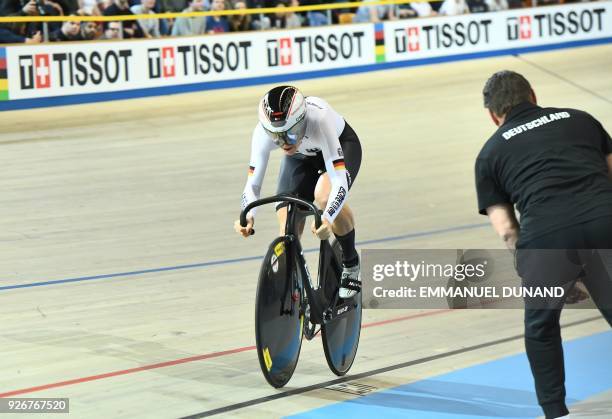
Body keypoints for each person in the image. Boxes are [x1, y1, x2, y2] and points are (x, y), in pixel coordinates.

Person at [475, 70, 612, 419]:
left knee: (541, 328)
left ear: (493, 115)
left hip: (546, 238)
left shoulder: (489, 153)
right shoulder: (581, 119)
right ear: (533, 95)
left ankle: (555, 411)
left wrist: (543, 273)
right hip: (603, 220)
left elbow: (506, 230)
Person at [234, 86, 363, 298]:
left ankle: (351, 263)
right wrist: (247, 215)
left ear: (302, 121)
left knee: (323, 197)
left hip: (339, 147)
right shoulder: (262, 132)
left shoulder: (319, 120)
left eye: (290, 135)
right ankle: (292, 286)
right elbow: (253, 184)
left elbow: (339, 181)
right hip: (302, 156)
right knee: (287, 221)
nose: (284, 143)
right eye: (276, 138)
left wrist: (328, 217)